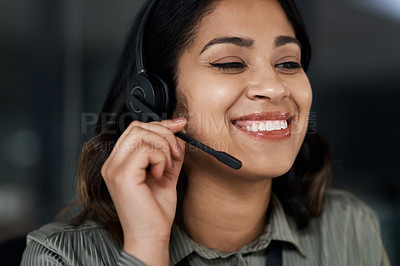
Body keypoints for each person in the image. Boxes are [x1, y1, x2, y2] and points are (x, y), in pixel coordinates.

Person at [21, 0, 390, 265]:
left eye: (288, 63)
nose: (275, 87)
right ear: (153, 99)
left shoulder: (348, 227)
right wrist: (146, 247)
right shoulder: (63, 256)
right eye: (230, 63)